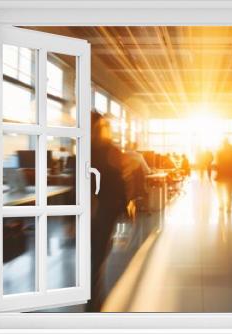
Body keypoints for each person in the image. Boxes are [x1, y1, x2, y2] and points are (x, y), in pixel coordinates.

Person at [89, 111, 128, 311]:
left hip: (93, 209)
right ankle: (93, 297)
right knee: (98, 252)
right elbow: (119, 181)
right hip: (105, 208)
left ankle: (93, 295)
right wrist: (124, 205)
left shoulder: (86, 150)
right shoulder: (111, 151)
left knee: (94, 253)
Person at [215, 139, 232, 212]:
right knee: (229, 192)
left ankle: (221, 205)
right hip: (230, 175)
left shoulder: (219, 152)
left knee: (220, 191)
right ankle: (229, 208)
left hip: (221, 175)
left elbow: (218, 164)